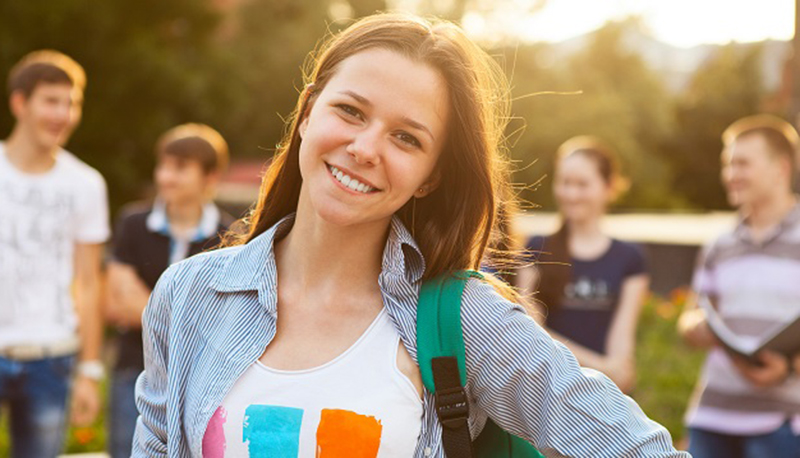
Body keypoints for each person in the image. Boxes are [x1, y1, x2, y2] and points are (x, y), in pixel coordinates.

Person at [133, 14, 688, 457]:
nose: (366, 148)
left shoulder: (463, 319)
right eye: (350, 111)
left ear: (432, 177)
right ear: (306, 113)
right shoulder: (187, 296)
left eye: (406, 138)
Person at [0, 50, 109, 457]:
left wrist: (89, 370)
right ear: (19, 103)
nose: (63, 114)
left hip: (52, 359)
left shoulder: (85, 184)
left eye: (72, 103)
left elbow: (88, 282)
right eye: (51, 100)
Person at [105, 123, 232, 458]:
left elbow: (224, 318)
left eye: (179, 168)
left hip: (198, 379)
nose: (165, 177)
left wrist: (147, 311)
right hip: (134, 370)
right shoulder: (133, 223)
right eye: (163, 166)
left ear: (210, 177)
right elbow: (117, 301)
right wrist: (189, 320)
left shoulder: (231, 237)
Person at [678, 114, 800, 457]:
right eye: (727, 165)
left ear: (780, 167)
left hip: (781, 422)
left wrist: (789, 367)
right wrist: (698, 327)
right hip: (711, 417)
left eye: (742, 164)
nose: (730, 175)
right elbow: (689, 317)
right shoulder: (719, 243)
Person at [516, 136, 649, 394]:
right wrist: (601, 366)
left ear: (608, 187)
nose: (571, 194)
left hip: (602, 398)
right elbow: (529, 332)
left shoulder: (630, 257)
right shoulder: (537, 248)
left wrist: (614, 368)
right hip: (547, 393)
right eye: (565, 183)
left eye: (582, 184)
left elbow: (623, 360)